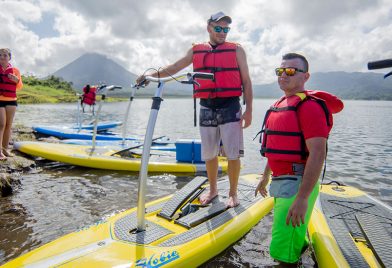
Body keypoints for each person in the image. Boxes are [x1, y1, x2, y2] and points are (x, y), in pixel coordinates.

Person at [136, 11, 253, 208]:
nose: (222, 32)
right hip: (206, 105)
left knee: (233, 153)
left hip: (230, 105)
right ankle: (214, 189)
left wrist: (249, 109)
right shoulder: (196, 50)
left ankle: (233, 193)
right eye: (218, 28)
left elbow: (247, 81)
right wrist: (149, 76)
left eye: (226, 29)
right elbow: (174, 67)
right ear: (209, 28)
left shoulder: (237, 50)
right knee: (209, 154)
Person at [255, 53, 343, 265]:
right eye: (280, 70)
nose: (284, 74)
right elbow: (277, 147)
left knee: (281, 252)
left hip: (296, 184)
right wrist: (265, 177)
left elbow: (318, 153)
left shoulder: (309, 107)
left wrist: (302, 198)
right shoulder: (282, 103)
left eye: (291, 71)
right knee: (289, 238)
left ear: (306, 76)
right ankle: (301, 249)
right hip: (281, 182)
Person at [0, 48, 23, 160]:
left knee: (8, 125)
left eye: (5, 55)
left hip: (12, 100)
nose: (2, 57)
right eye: (0, 55)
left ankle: (5, 149)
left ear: (9, 57)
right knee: (1, 124)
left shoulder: (15, 70)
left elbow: (19, 86)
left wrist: (16, 80)